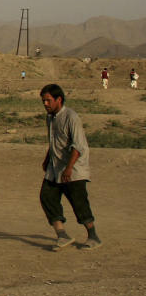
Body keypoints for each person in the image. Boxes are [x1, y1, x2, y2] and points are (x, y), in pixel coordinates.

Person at [39, 83, 102, 251]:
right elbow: (54, 142)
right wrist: (47, 159)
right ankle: (62, 235)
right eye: (43, 101)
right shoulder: (50, 118)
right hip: (55, 167)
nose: (45, 104)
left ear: (58, 99)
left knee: (79, 203)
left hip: (73, 169)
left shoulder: (71, 117)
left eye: (48, 100)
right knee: (47, 197)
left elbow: (78, 146)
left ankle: (93, 236)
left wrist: (68, 169)